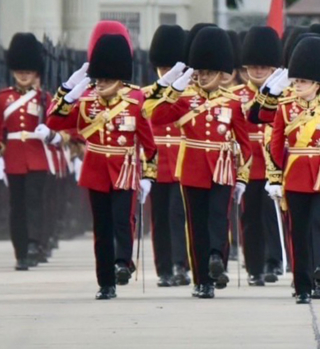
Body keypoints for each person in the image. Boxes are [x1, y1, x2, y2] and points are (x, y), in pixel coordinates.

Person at [46, 22, 157, 300]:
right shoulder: (86, 101)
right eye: (100, 79)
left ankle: (122, 263)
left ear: (119, 78)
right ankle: (106, 282)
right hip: (96, 170)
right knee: (102, 228)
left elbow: (148, 142)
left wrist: (148, 175)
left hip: (124, 169)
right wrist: (67, 93)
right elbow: (53, 121)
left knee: (123, 221)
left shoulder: (135, 100)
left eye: (107, 79)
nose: (102, 83)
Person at [147, 26, 252, 299]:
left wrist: (242, 177)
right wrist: (174, 90)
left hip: (222, 168)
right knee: (196, 225)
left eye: (209, 72)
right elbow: (154, 116)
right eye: (200, 72)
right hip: (192, 167)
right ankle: (202, 280)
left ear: (221, 73)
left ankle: (217, 258)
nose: (203, 77)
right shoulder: (184, 99)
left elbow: (245, 144)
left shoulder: (232, 103)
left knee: (219, 218)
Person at [266, 35, 320, 304]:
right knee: (299, 231)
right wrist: (275, 178)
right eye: (296, 80)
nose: (298, 85)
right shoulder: (285, 109)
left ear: (316, 83)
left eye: (303, 81)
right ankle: (302, 285)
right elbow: (275, 145)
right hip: (295, 176)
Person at [0, 33, 59, 270]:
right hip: (14, 158)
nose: (24, 74)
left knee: (35, 203)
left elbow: (58, 127)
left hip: (38, 157)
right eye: (20, 70)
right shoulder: (3, 98)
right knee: (17, 206)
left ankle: (35, 243)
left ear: (36, 72)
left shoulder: (45, 98)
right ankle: (21, 250)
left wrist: (49, 133)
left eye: (28, 71)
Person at [235, 26, 284, 286]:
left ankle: (273, 261)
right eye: (253, 66)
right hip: (249, 166)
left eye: (263, 67)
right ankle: (254, 267)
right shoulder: (236, 96)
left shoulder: (283, 94)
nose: (257, 71)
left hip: (274, 165)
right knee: (250, 219)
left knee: (273, 217)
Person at [144, 24, 191, 287]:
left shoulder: (190, 94)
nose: (167, 72)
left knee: (179, 215)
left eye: (171, 68)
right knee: (159, 217)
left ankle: (180, 264)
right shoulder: (147, 95)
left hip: (183, 161)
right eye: (162, 68)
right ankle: (163, 267)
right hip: (156, 163)